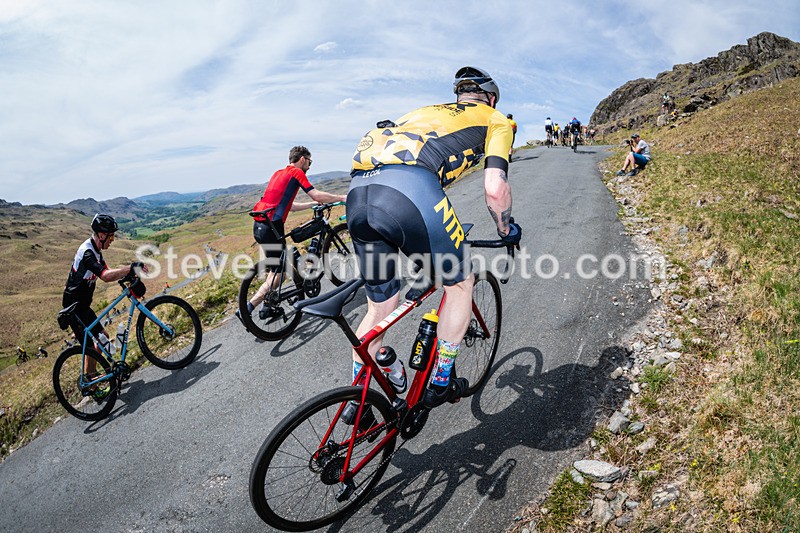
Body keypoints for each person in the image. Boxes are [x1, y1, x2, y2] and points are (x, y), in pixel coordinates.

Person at [347, 66, 521, 410]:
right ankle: (441, 381)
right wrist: (506, 229)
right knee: (460, 283)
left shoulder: (423, 113)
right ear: (491, 99)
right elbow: (495, 187)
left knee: (380, 307)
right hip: (408, 191)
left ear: (459, 96)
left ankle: (358, 399)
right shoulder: (497, 119)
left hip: (357, 194)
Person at [236, 146, 346, 324]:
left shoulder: (279, 173)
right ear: (302, 159)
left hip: (260, 226)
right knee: (280, 273)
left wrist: (311, 205)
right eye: (309, 162)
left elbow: (291, 206)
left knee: (276, 270)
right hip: (272, 227)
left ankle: (267, 308)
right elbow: (316, 194)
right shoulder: (296, 173)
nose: (309, 166)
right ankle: (247, 308)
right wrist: (341, 198)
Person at [63, 214, 146, 398]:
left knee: (102, 338)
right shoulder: (87, 253)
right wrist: (130, 267)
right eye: (111, 236)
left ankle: (93, 379)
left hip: (82, 305)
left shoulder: (96, 251)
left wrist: (127, 275)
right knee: (91, 346)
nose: (112, 240)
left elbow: (108, 272)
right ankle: (90, 386)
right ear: (101, 235)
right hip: (73, 308)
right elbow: (106, 276)